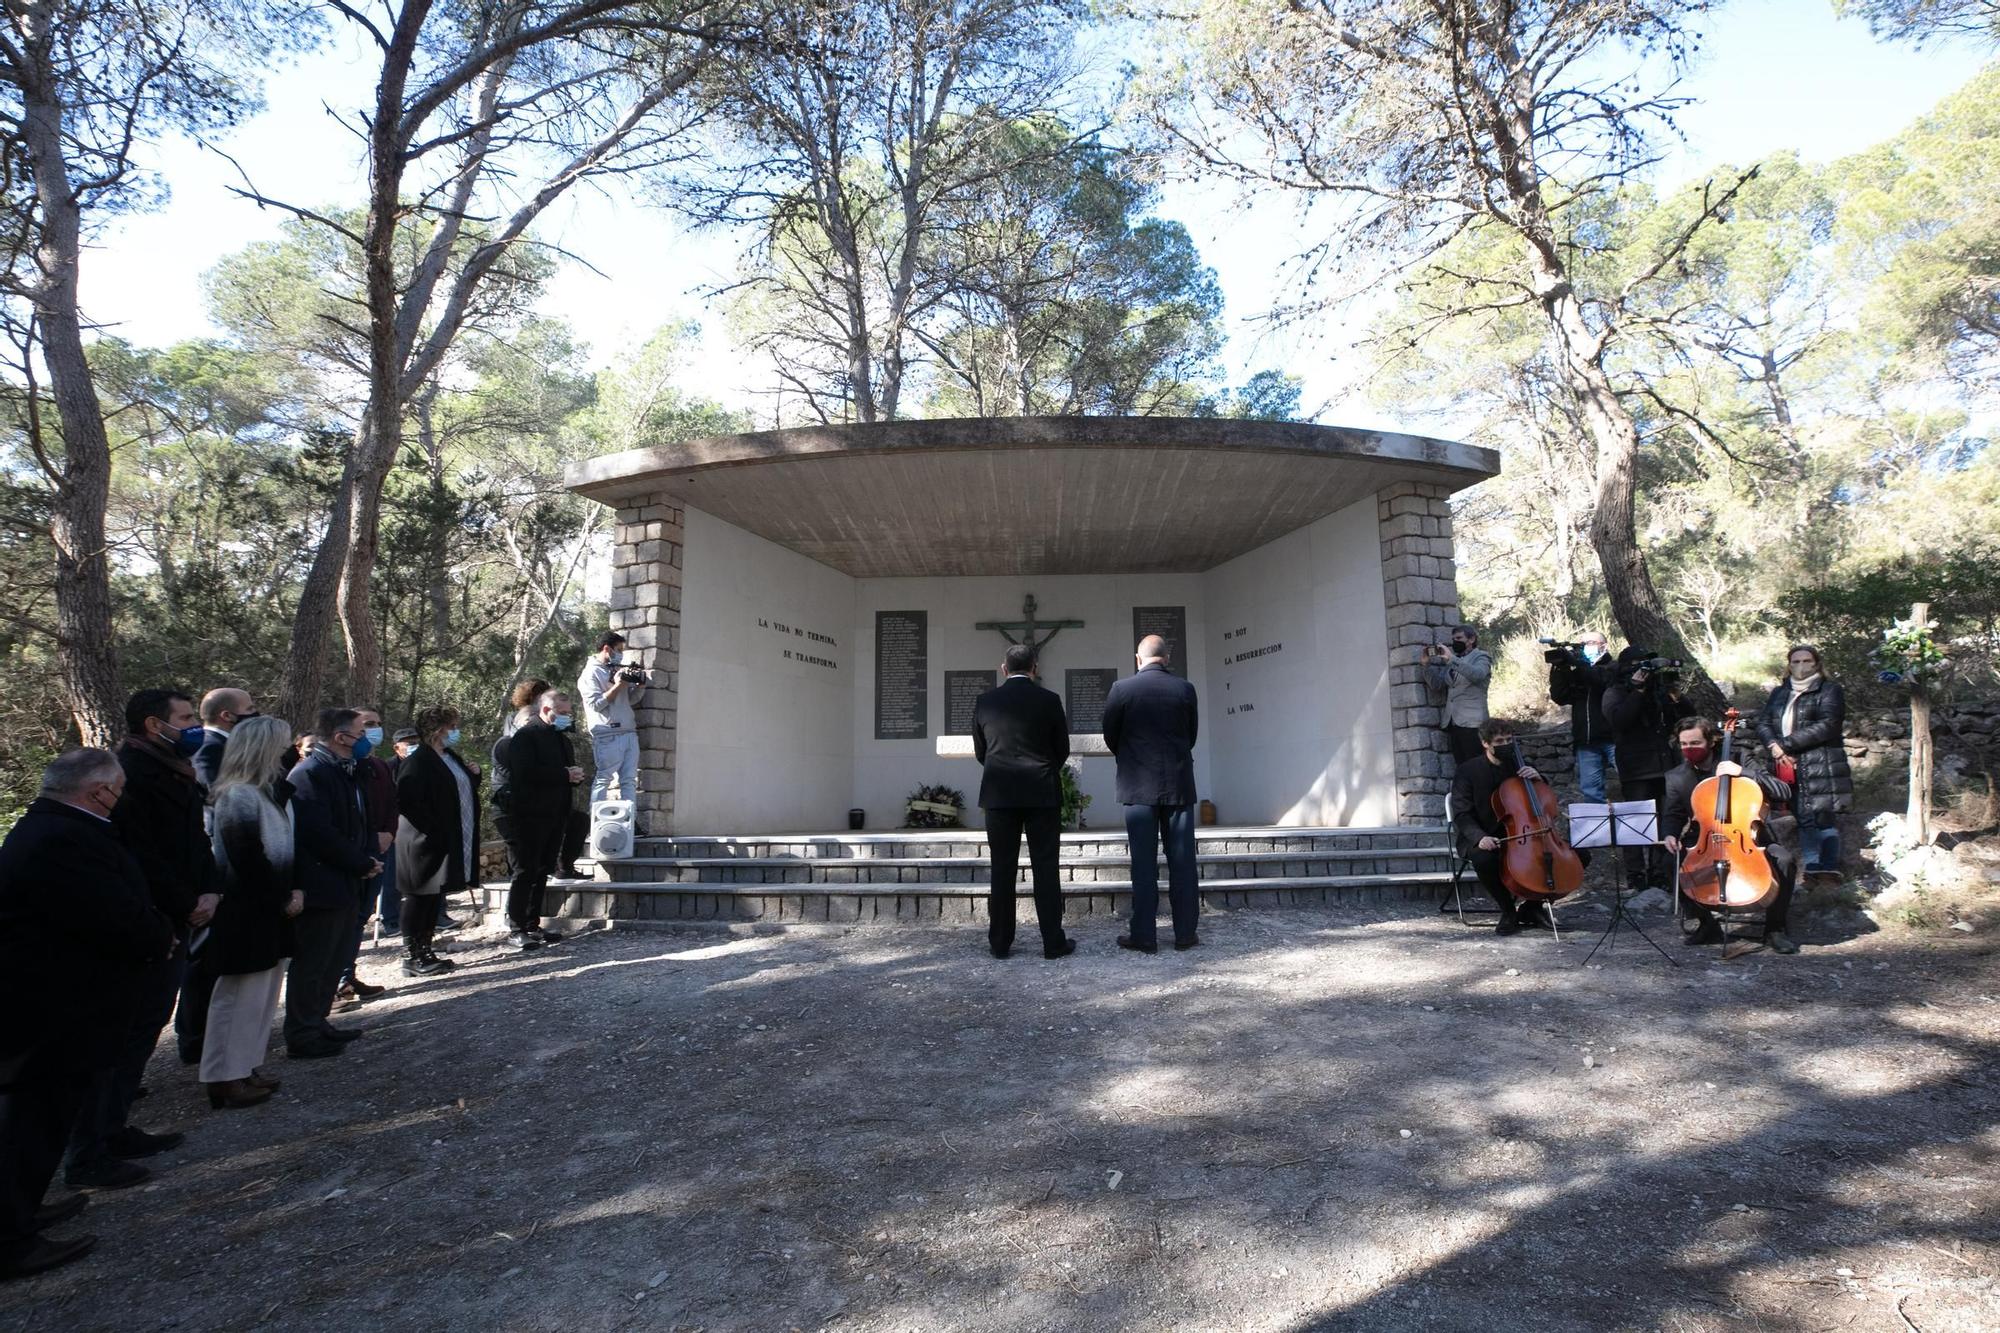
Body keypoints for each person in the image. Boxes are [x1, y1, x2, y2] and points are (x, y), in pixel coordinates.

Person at [0, 750, 174, 1278]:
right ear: (99, 792)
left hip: (59, 1004)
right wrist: (157, 935)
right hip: (51, 1010)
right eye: (118, 789)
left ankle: (22, 1211)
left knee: (44, 1121)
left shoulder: (52, 828)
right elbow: (107, 912)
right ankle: (10, 1238)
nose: (121, 799)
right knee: (30, 1123)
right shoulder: (62, 840)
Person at [66, 689, 214, 1189]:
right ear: (155, 724)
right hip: (152, 915)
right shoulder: (130, 773)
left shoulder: (173, 767)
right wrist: (184, 901)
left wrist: (208, 888)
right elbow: (141, 853)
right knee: (118, 1037)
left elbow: (195, 839)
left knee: (143, 1031)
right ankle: (88, 1149)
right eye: (186, 717)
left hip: (176, 910)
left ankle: (113, 1127)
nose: (193, 725)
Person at [203, 717, 303, 1108]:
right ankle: (223, 1076)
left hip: (271, 908)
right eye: (281, 745)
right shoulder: (238, 795)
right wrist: (281, 896)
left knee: (262, 994)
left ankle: (245, 1065)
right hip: (247, 910)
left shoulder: (270, 793)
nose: (288, 751)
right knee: (237, 995)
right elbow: (247, 856)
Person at [283, 709, 380, 1059]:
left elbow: (359, 820)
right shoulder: (310, 773)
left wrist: (368, 857)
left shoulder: (345, 771)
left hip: (348, 877)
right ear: (341, 738)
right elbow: (318, 832)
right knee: (314, 961)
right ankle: (302, 1032)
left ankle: (318, 1021)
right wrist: (359, 862)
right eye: (361, 732)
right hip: (323, 882)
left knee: (333, 956)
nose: (366, 738)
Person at [1662, 716, 1800, 955]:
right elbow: (1673, 813)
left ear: (1712, 741)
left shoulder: (1739, 759)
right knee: (1668, 860)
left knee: (1785, 861)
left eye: (1695, 743)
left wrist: (1744, 773)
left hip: (1750, 837)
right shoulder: (1676, 776)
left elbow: (1783, 790)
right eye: (1684, 745)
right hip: (1705, 839)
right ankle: (1707, 923)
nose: (1688, 749)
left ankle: (1775, 929)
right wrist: (1669, 835)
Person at [971, 646, 1075, 961]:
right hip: (1041, 793)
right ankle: (1053, 942)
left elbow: (981, 751)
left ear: (1004, 668)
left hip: (1000, 796)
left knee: (1002, 869)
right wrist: (1043, 770)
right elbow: (1062, 748)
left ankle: (1000, 943)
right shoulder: (1049, 700)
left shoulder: (985, 702)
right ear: (1035, 668)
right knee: (1046, 868)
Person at [1102, 635, 1201, 954]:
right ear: (1166, 658)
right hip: (1178, 785)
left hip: (1137, 786)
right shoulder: (1185, 689)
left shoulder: (1122, 690)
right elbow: (1192, 735)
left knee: (1143, 864)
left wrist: (1131, 757)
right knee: (1183, 863)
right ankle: (1185, 933)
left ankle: (1144, 934)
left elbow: (1110, 735)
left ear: (1138, 659)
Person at [1448, 718, 1564, 936]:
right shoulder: (1467, 771)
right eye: (1500, 741)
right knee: (1484, 859)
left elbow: (1543, 799)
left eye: (1509, 740)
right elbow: (1462, 813)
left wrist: (1540, 778)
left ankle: (1532, 907)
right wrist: (1479, 837)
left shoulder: (1520, 766)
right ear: (1485, 743)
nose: (1506, 745)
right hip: (1485, 834)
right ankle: (1508, 910)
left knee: (1578, 856)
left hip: (1526, 834)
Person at [395, 705, 481, 975]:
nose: (456, 731)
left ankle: (426, 949)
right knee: (419, 897)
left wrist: (474, 776)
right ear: (438, 729)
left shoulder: (448, 755)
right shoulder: (418, 759)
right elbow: (409, 800)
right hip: (422, 842)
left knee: (434, 897)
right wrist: (435, 827)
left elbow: (456, 788)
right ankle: (410, 954)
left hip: (444, 840)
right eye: (452, 726)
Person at [1756, 644, 1851, 884]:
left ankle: (1828, 868)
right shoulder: (1779, 692)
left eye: (1806, 661)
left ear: (1816, 663)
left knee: (1823, 817)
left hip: (1820, 764)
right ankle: (1811, 868)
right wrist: (1774, 747)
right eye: (1795, 661)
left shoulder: (1829, 690)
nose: (1801, 666)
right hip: (1787, 765)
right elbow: (1763, 723)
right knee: (1803, 818)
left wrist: (1785, 745)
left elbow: (1828, 724)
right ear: (1789, 665)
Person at [497, 690, 581, 950]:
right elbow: (524, 774)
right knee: (525, 870)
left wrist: (575, 776)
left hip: (555, 814)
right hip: (530, 815)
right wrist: (563, 775)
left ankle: (533, 923)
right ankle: (516, 927)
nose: (567, 718)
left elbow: (564, 774)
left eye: (569, 713)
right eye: (563, 713)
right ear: (546, 709)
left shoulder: (562, 740)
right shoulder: (527, 736)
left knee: (543, 869)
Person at [1601, 646, 1681, 891]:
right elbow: (1620, 721)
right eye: (1638, 666)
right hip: (1636, 768)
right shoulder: (1614, 692)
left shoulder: (1658, 690)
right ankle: (1636, 874)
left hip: (1664, 765)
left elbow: (1682, 717)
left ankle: (1660, 872)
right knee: (1635, 822)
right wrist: (1637, 691)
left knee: (1665, 820)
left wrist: (1674, 693)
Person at [334, 705, 397, 1005]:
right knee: (343, 919)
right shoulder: (340, 768)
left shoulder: (378, 766)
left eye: (377, 723)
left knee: (360, 917)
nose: (373, 730)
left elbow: (390, 804)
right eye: (367, 724)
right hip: (352, 853)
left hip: (378, 849)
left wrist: (388, 833)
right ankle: (336, 981)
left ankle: (348, 972)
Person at [1546, 631, 1617, 802]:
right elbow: (1560, 697)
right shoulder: (1578, 671)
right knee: (1591, 792)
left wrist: (1579, 663)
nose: (1586, 647)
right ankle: (1599, 827)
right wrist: (1560, 668)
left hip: (1613, 738)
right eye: (1582, 644)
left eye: (1591, 643)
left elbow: (1601, 681)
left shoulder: (1613, 667)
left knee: (1631, 780)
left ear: (1603, 646)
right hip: (1586, 740)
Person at [578, 632, 646, 809]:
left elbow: (629, 700)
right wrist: (618, 686)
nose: (621, 654)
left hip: (629, 732)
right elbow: (596, 704)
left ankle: (630, 823)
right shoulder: (590, 673)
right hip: (608, 734)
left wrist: (640, 686)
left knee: (629, 781)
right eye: (619, 650)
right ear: (606, 649)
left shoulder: (615, 669)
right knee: (604, 779)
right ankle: (595, 824)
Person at [1423, 625, 1493, 763]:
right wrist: (1426, 665)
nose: (1455, 642)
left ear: (1471, 639)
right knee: (1462, 766)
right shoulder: (1453, 662)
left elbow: (1477, 675)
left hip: (1473, 723)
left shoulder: (1481, 657)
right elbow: (1437, 685)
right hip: (1454, 723)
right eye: (1453, 639)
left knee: (1477, 765)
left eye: (1459, 638)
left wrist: (1452, 659)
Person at [191, 688, 258, 790]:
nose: (255, 713)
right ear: (227, 716)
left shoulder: (225, 742)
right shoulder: (210, 748)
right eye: (249, 709)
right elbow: (214, 792)